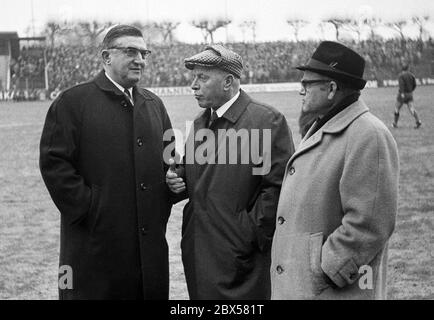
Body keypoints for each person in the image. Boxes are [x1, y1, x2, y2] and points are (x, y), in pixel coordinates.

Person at [39, 25, 174, 299]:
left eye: (143, 52)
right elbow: (55, 164)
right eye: (130, 51)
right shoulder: (72, 102)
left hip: (148, 250)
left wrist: (174, 183)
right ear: (106, 57)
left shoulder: (155, 104)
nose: (140, 59)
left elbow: (170, 160)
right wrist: (91, 208)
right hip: (94, 249)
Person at [270, 41, 399, 300]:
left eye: (307, 84)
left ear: (331, 89)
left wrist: (326, 269)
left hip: (330, 290)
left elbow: (370, 222)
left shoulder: (368, 134)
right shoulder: (324, 126)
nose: (301, 91)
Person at [166, 45, 294, 299]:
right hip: (199, 251)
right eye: (194, 77)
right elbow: (204, 174)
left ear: (228, 82)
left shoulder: (266, 121)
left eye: (202, 77)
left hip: (240, 260)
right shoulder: (200, 122)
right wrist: (180, 177)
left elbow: (277, 189)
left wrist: (245, 234)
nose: (193, 85)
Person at [392, 64, 422, 129]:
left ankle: (395, 123)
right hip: (410, 94)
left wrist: (402, 93)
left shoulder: (401, 75)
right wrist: (411, 90)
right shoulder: (412, 75)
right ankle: (418, 121)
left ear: (402, 69)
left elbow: (401, 85)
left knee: (397, 108)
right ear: (408, 69)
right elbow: (414, 84)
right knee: (411, 108)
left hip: (402, 94)